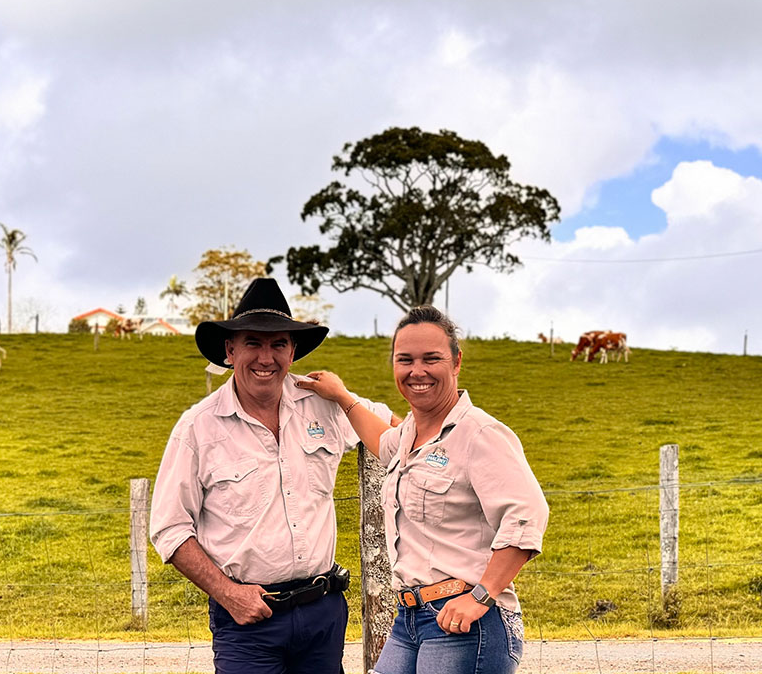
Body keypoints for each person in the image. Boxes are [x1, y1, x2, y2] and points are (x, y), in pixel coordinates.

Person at [148, 278, 398, 674]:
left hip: (323, 613)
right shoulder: (198, 427)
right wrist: (228, 594)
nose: (266, 357)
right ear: (230, 351)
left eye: (278, 343)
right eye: (253, 343)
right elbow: (169, 528)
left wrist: (346, 397)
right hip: (249, 621)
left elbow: (400, 434)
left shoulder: (325, 405)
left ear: (293, 351)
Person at [298, 305, 548, 674]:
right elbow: (382, 442)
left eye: (432, 358)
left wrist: (482, 595)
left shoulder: (480, 433)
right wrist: (342, 396)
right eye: (405, 360)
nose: (417, 371)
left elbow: (527, 516)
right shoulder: (409, 435)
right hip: (410, 618)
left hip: (465, 620)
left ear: (456, 362)